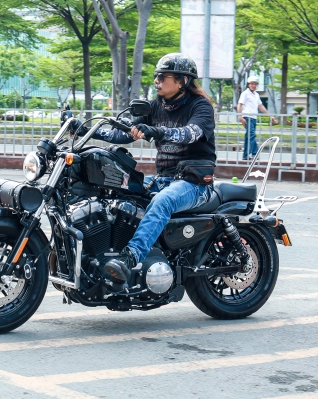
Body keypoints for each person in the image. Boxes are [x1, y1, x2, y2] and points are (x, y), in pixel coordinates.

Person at [91, 53, 217, 283]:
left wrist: (156, 131)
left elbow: (190, 134)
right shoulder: (155, 106)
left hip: (194, 183)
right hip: (164, 178)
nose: (156, 80)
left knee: (163, 201)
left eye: (163, 76)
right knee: (124, 196)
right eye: (156, 76)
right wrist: (87, 131)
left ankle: (130, 259)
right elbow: (123, 133)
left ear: (182, 81)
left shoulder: (201, 107)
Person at [236, 75, 274, 161]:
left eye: (255, 84)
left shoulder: (256, 95)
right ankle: (254, 154)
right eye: (252, 83)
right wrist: (240, 116)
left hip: (253, 118)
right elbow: (239, 105)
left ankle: (245, 155)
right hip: (247, 117)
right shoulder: (245, 93)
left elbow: (261, 106)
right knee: (252, 135)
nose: (254, 85)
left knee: (248, 136)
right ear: (248, 84)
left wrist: (270, 115)